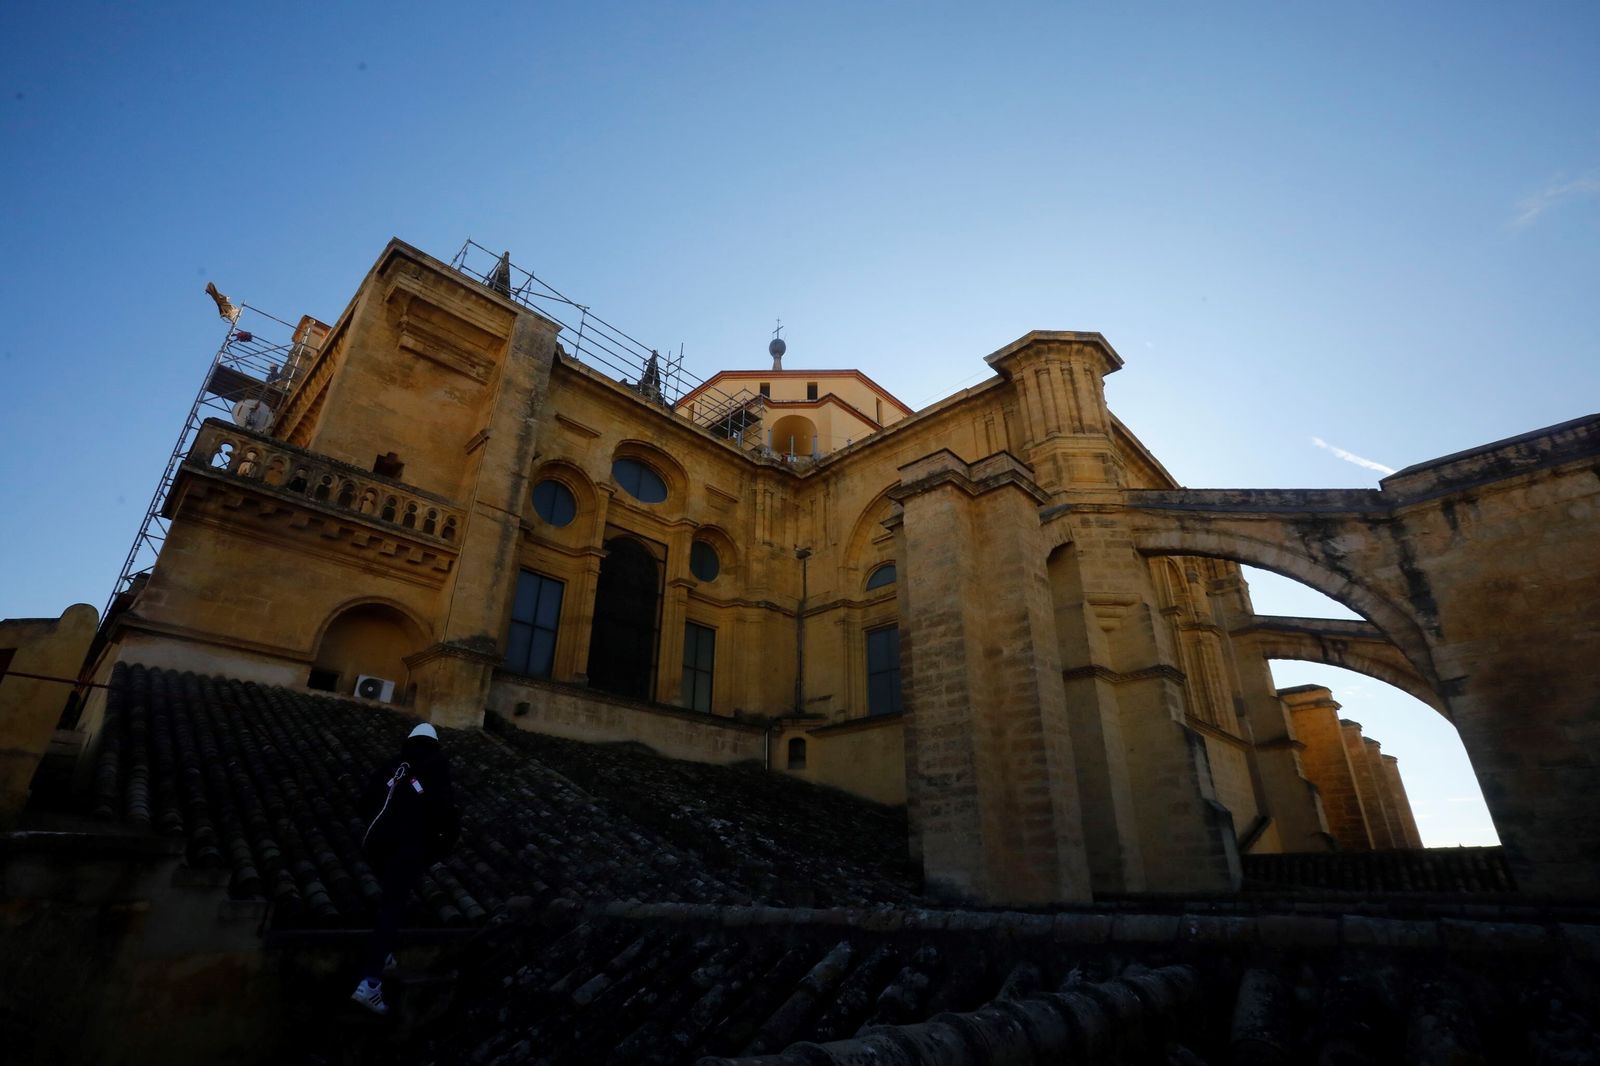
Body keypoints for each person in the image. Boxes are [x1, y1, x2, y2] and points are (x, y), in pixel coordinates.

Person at [350, 721, 460, 1015]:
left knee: (387, 902)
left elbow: (365, 802)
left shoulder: (395, 765)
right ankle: (370, 983)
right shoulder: (434, 765)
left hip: (379, 847)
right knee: (393, 908)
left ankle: (381, 954)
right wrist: (436, 843)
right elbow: (444, 809)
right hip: (408, 848)